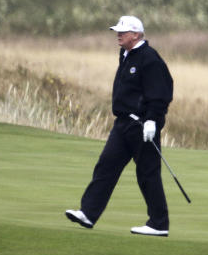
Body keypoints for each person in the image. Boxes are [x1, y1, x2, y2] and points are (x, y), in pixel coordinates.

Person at [65, 16, 174, 236]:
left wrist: (153, 119)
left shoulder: (149, 59)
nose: (118, 34)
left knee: (147, 174)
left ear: (136, 35)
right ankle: (88, 213)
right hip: (123, 123)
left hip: (142, 125)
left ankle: (159, 224)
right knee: (106, 166)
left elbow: (161, 91)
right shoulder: (125, 55)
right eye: (118, 31)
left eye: (123, 32)